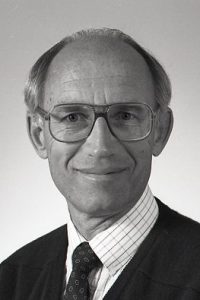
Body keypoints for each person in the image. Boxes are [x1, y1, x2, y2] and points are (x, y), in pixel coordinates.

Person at [0, 28, 200, 300]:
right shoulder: (11, 279)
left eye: (126, 115)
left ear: (160, 131)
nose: (100, 147)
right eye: (72, 117)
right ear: (39, 136)